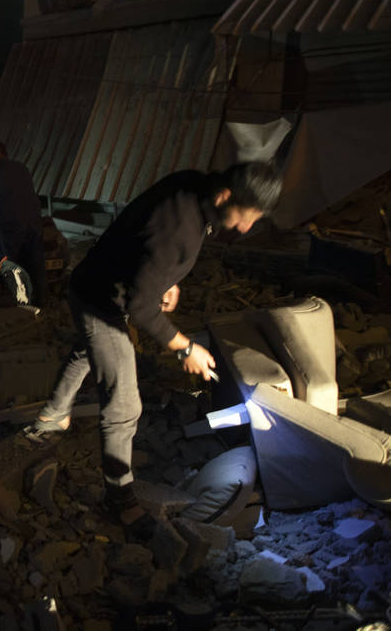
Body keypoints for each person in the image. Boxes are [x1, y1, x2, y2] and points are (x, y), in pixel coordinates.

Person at [21, 162, 283, 540]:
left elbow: (144, 239)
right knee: (125, 404)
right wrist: (185, 348)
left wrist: (166, 279)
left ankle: (53, 415)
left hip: (100, 282)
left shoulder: (194, 187)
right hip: (100, 301)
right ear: (226, 196)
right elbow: (143, 308)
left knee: (90, 352)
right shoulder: (181, 227)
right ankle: (119, 498)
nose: (246, 229)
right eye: (246, 217)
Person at [0, 142, 47, 305]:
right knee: (36, 263)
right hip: (33, 223)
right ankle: (42, 300)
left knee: (11, 264)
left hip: (11, 225)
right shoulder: (22, 168)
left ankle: (22, 302)